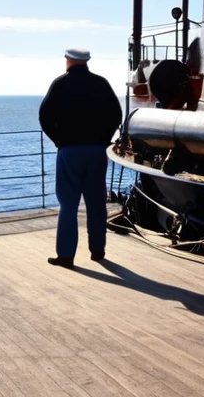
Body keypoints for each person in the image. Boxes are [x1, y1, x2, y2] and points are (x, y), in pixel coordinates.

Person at [39, 48, 122, 267]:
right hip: (97, 150)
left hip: (70, 150)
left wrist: (59, 139)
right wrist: (105, 138)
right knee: (96, 201)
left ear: (68, 61)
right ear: (86, 62)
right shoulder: (101, 84)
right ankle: (97, 249)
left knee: (68, 204)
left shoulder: (60, 84)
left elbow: (44, 116)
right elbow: (116, 114)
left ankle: (66, 255)